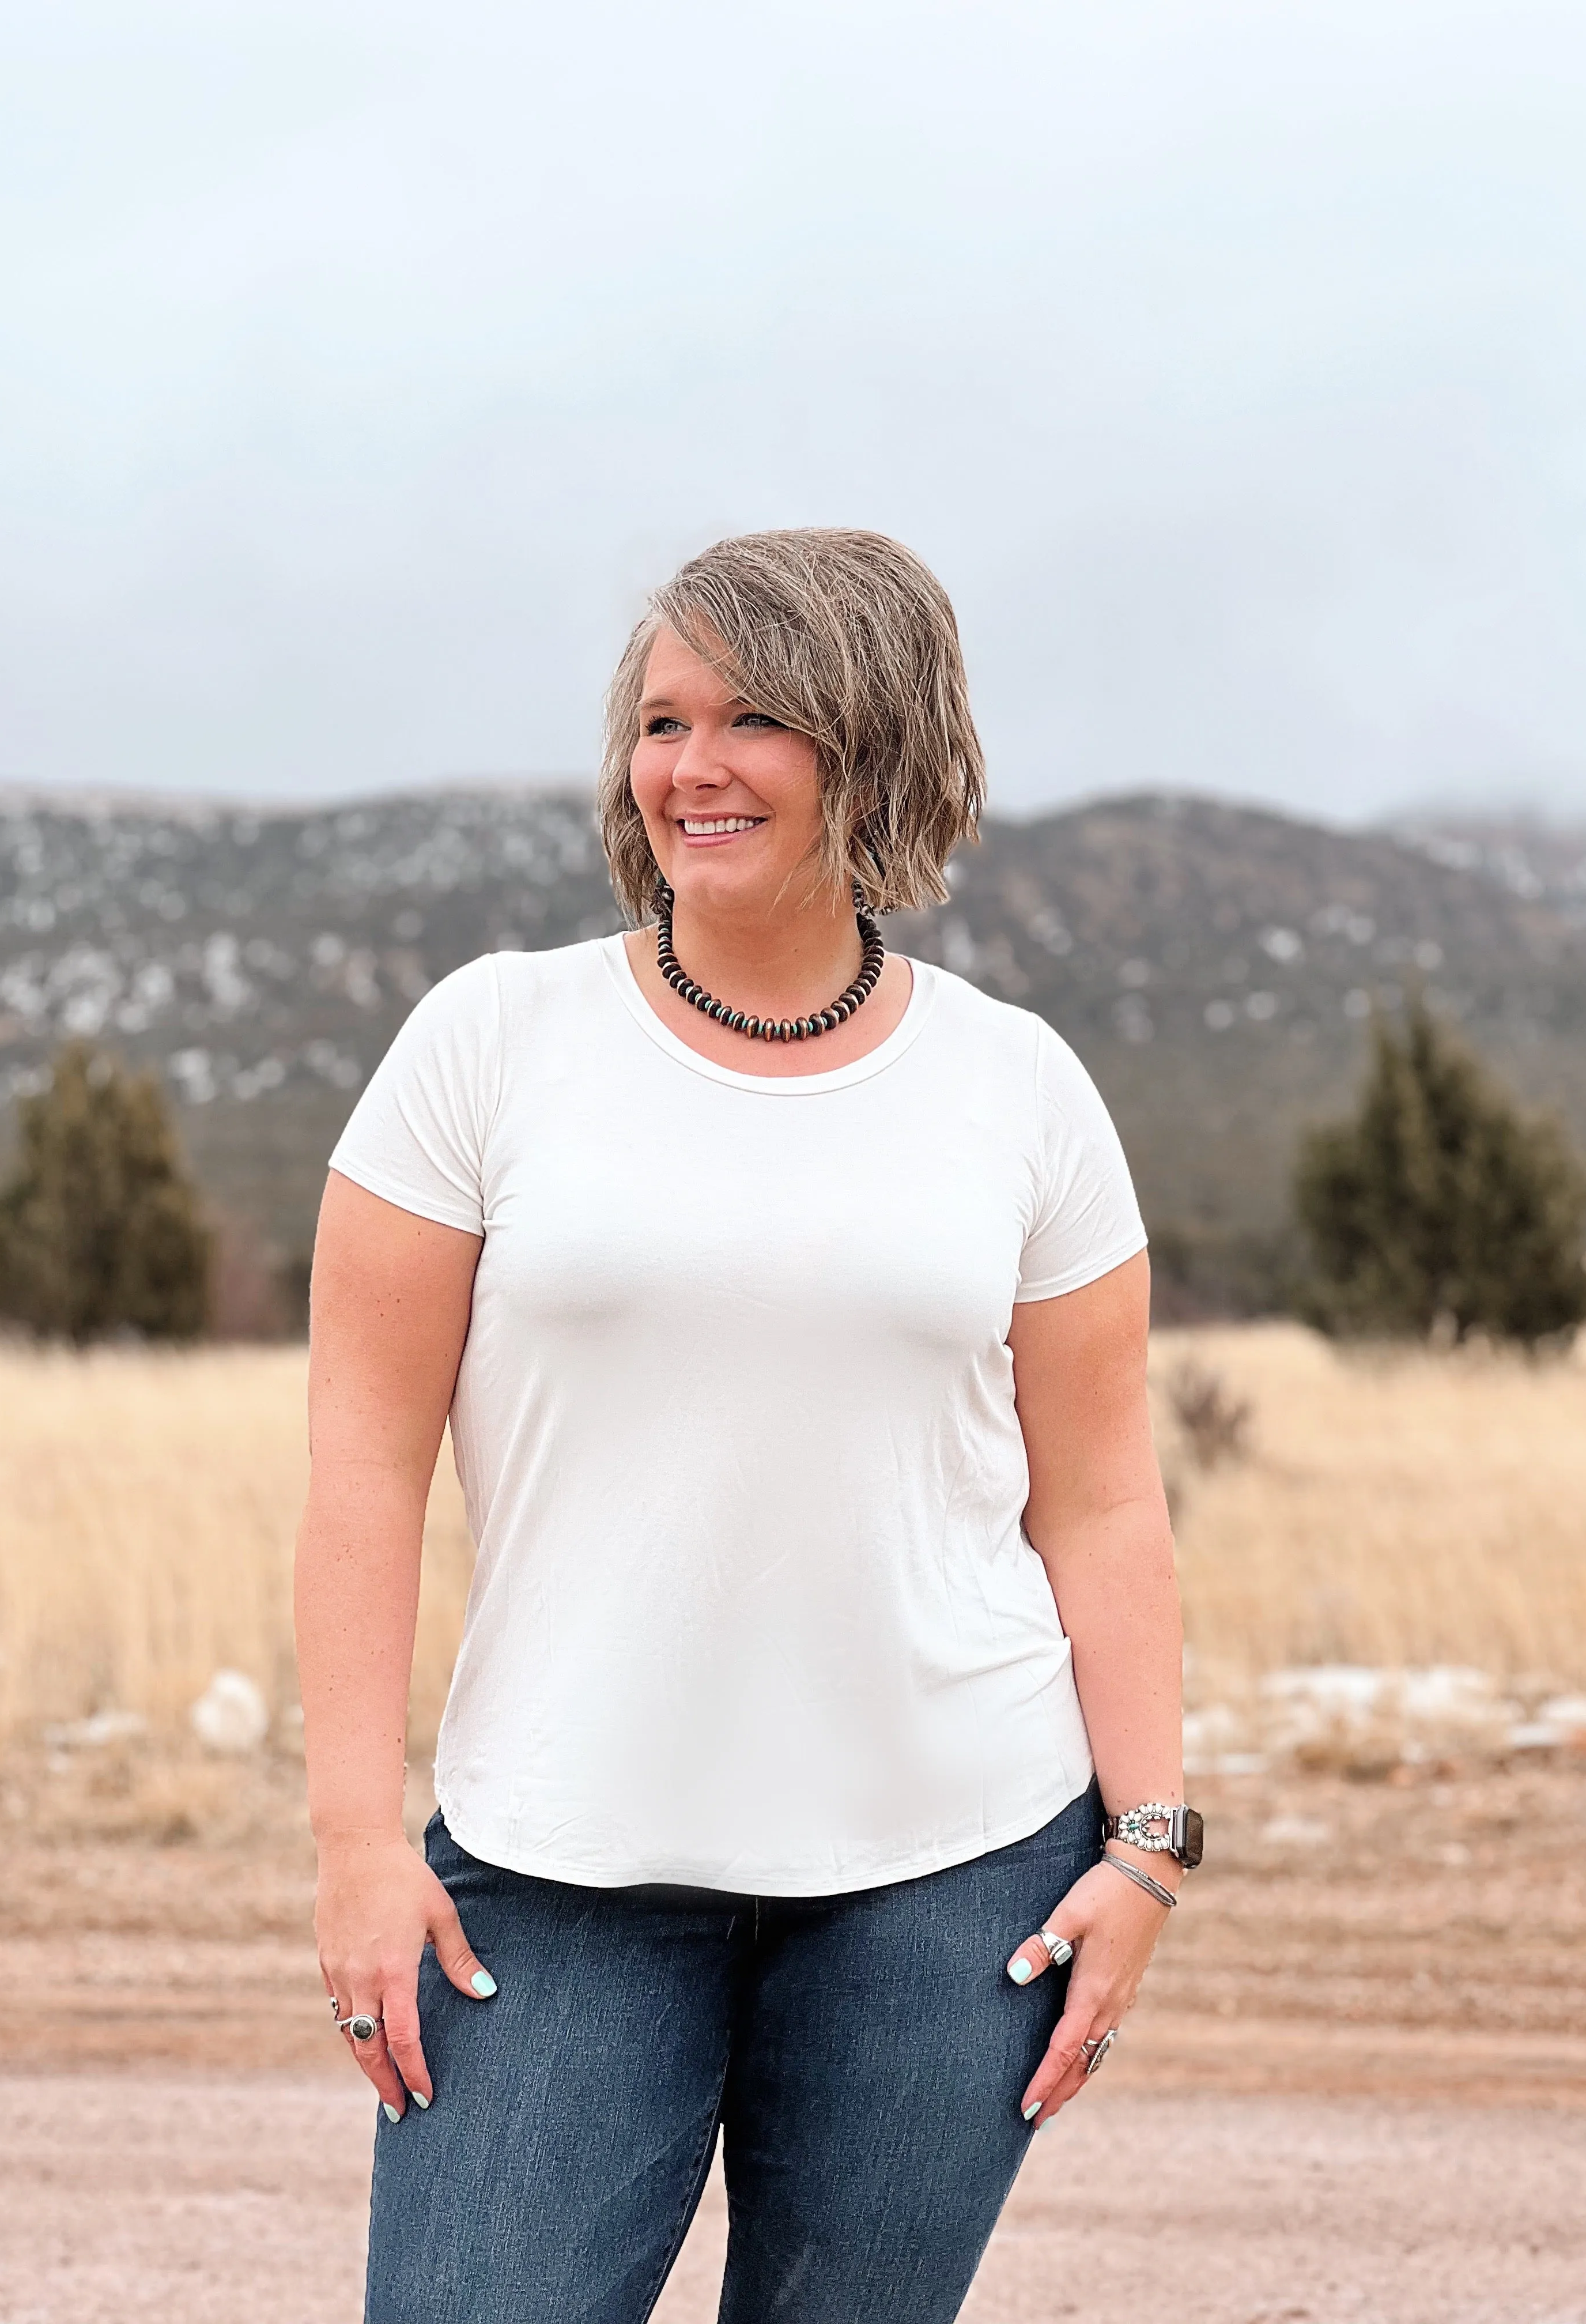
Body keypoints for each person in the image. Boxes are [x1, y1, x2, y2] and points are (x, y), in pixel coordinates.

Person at [294, 529, 1196, 2324]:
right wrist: (351, 1846)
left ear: (877, 740)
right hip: (556, 1876)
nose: (693, 767)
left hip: (954, 1880)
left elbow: (1099, 1503)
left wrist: (1150, 1850)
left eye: (758, 717)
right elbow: (362, 1466)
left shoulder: (1017, 1087)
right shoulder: (490, 1042)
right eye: (662, 721)